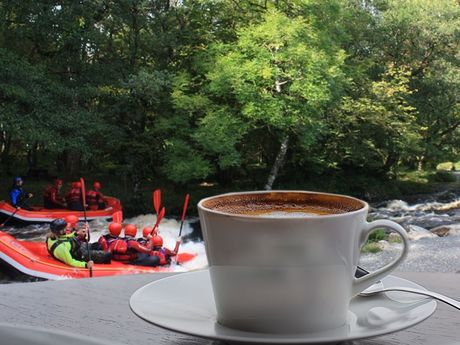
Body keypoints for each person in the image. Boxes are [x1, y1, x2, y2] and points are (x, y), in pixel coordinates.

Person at [46, 218, 111, 268]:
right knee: (107, 255)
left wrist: (76, 234)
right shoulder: (61, 248)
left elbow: (65, 237)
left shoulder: (52, 236)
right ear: (60, 231)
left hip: (77, 248)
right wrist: (85, 265)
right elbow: (71, 262)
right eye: (65, 228)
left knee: (98, 245)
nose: (66, 229)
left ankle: (99, 258)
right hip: (79, 256)